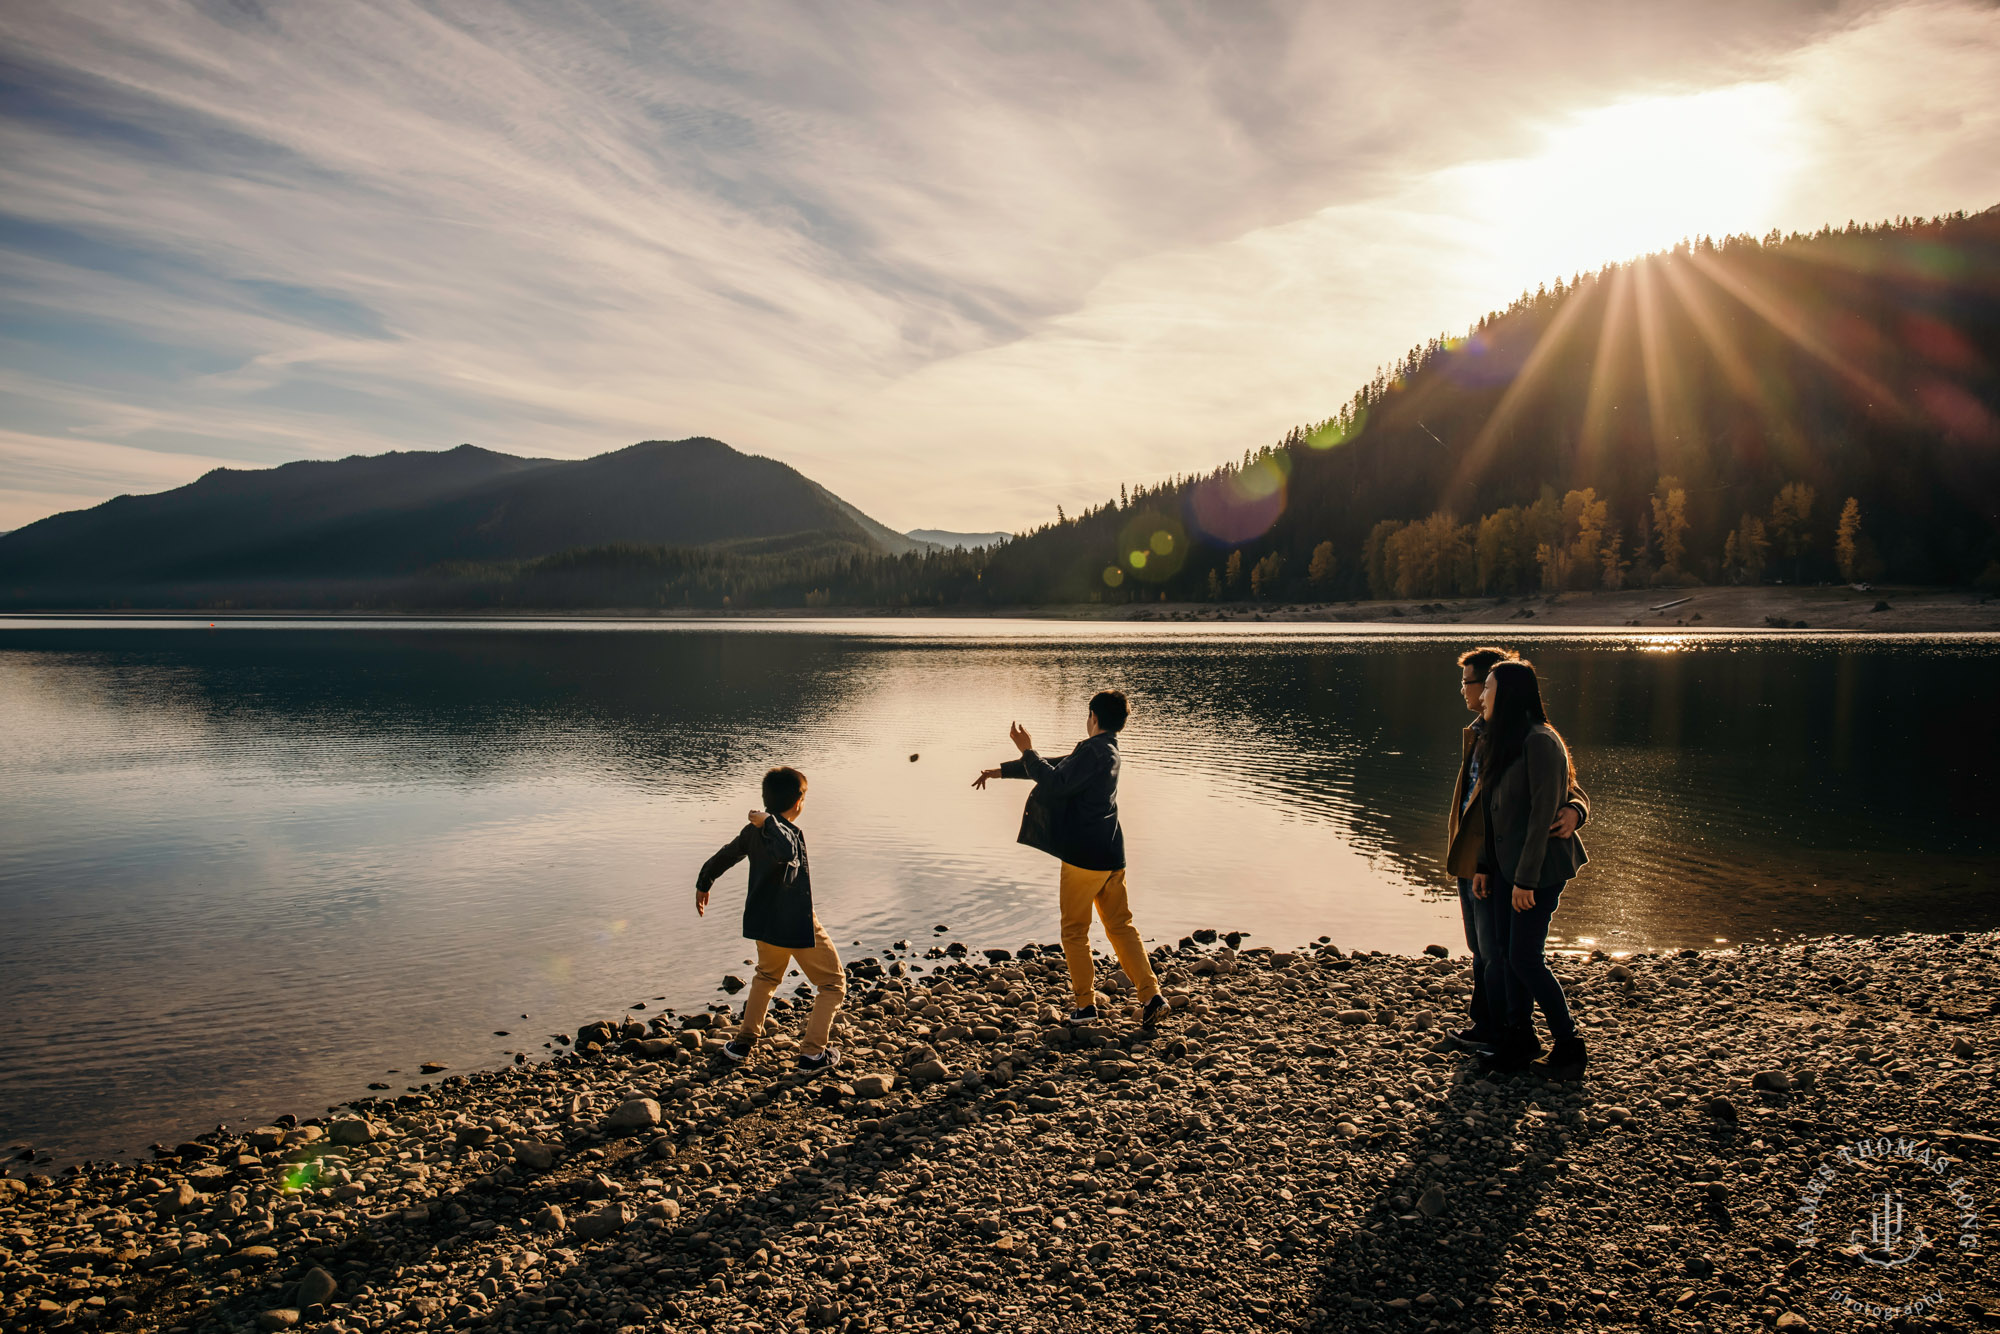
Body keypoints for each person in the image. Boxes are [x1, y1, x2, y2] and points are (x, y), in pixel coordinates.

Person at [973, 689, 1166, 1027]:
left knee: (1074, 931)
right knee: (1120, 925)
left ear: (1093, 716)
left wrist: (1026, 749)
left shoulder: (1093, 751)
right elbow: (1058, 766)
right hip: (1111, 855)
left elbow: (1054, 781)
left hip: (1083, 859)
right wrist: (1001, 771)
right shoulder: (1107, 750)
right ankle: (1152, 997)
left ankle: (1085, 1007)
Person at [1444, 647, 1589, 1055]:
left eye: (1475, 684)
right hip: (1482, 860)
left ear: (1499, 689)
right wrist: (1485, 865)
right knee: (1486, 951)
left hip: (1520, 865)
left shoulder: (1532, 738)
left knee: (1507, 955)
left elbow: (1557, 792)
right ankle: (1497, 1027)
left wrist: (1577, 809)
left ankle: (1522, 1034)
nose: (1468, 691)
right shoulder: (1488, 734)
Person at [695, 765, 844, 1071]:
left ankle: (743, 1043)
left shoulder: (754, 831)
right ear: (798, 802)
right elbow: (787, 850)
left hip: (765, 923)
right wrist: (773, 822)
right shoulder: (785, 832)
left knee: (766, 977)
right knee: (833, 984)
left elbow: (726, 855)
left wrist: (703, 881)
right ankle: (812, 1054)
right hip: (798, 924)